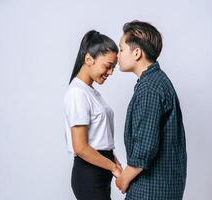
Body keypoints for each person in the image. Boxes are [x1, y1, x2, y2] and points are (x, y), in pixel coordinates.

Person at [115, 20, 187, 200]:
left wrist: (124, 178)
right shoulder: (157, 81)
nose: (117, 55)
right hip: (163, 186)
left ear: (137, 53)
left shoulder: (150, 88)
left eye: (121, 49)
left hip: (151, 189)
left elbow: (145, 148)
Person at [64, 30, 122, 200]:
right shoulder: (77, 93)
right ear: (89, 59)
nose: (110, 72)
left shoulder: (89, 92)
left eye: (113, 68)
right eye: (108, 65)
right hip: (89, 174)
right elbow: (81, 147)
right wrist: (113, 167)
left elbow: (98, 136)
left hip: (99, 171)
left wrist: (113, 159)